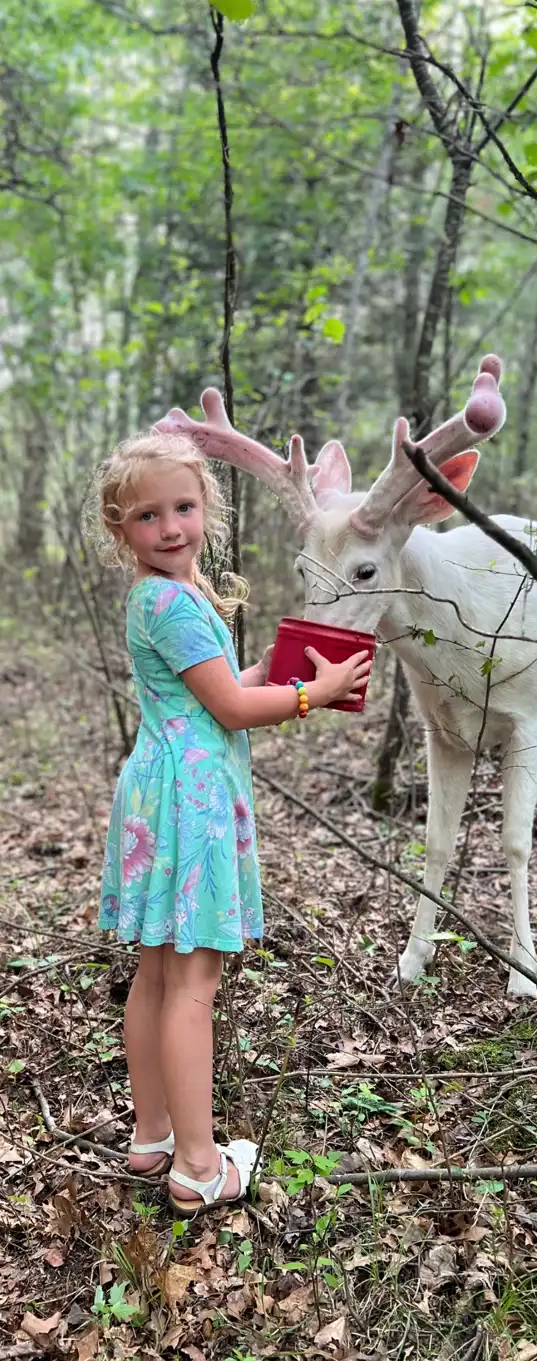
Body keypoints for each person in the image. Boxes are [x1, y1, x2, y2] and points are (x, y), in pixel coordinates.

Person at [91, 429, 371, 1216]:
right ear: (122, 529)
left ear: (206, 506)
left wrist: (286, 670)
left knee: (157, 974)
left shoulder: (168, 597)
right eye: (149, 516)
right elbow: (232, 707)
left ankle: (154, 1136)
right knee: (191, 986)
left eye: (184, 506)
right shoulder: (168, 600)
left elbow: (218, 688)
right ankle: (199, 1163)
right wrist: (316, 693)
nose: (171, 526)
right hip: (191, 803)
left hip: (164, 788)